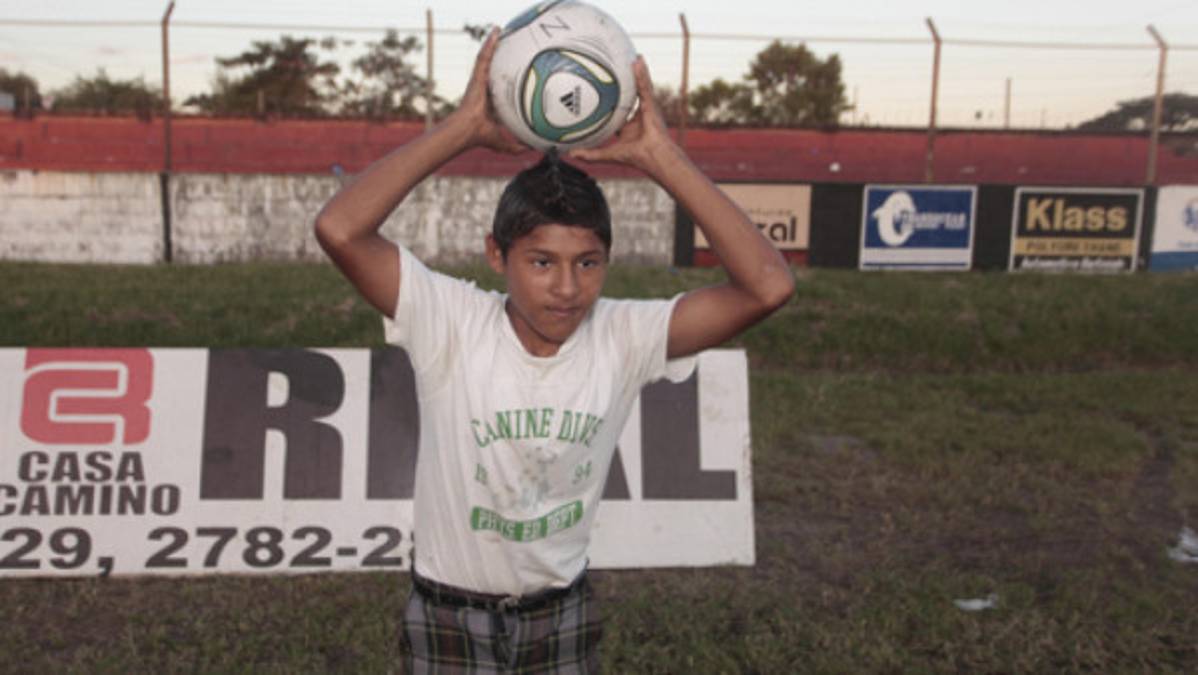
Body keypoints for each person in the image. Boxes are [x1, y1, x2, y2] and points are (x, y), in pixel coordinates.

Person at [314, 28, 794, 674]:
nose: (567, 289)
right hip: (448, 612)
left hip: (561, 612)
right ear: (496, 254)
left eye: (587, 262)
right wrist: (462, 129)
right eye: (541, 261)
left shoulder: (624, 336)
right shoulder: (449, 321)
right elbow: (338, 228)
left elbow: (769, 286)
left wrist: (659, 155)